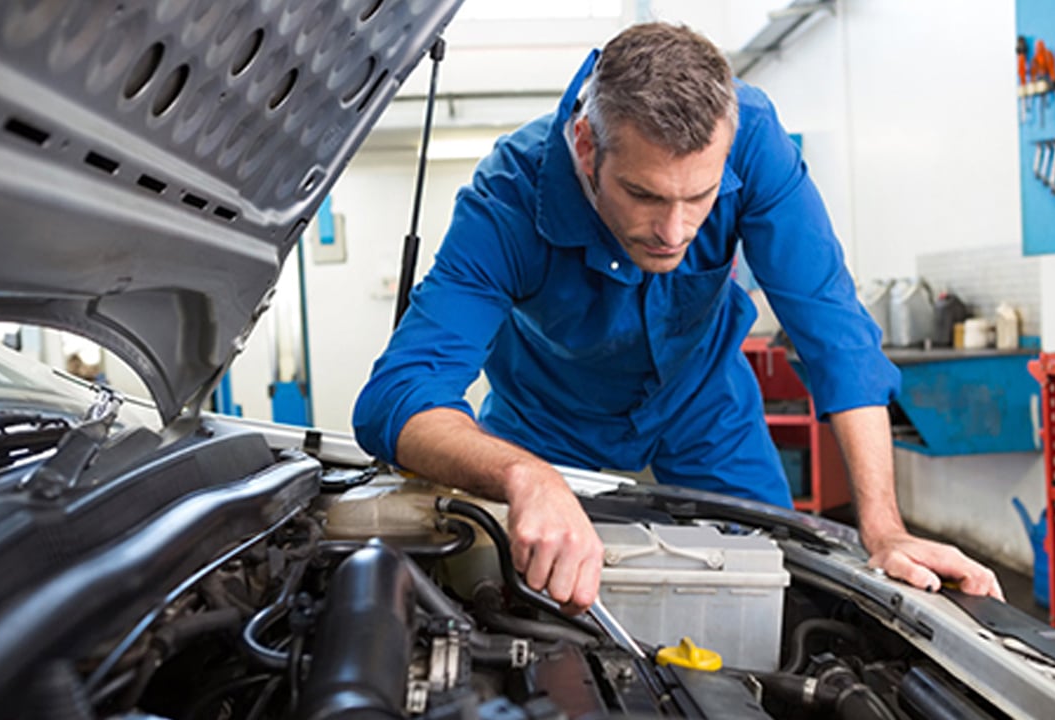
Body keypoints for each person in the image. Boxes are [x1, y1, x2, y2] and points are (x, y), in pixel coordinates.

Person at [354, 22, 1003, 613]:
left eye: (701, 196)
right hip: (545, 424)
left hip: (704, 407)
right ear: (586, 146)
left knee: (773, 589)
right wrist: (522, 474)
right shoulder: (508, 199)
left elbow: (833, 331)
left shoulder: (754, 137)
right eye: (643, 194)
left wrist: (884, 529)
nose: (674, 230)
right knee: (525, 600)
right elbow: (398, 395)